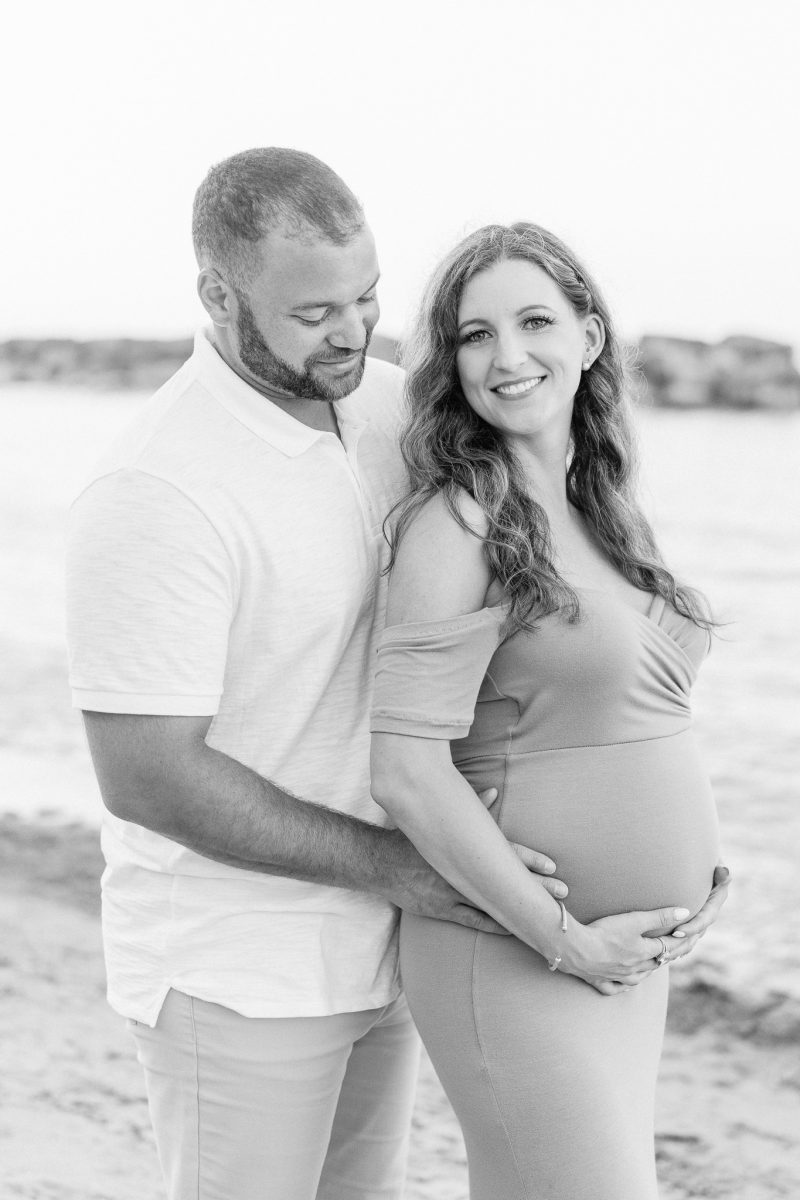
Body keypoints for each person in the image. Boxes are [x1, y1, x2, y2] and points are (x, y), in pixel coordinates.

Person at [65, 150, 728, 1200]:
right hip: (245, 964)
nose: (352, 333)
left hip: (397, 941)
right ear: (217, 296)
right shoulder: (157, 489)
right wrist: (416, 870)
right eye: (314, 312)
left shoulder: (388, 416)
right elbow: (148, 775)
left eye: (368, 298)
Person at [370, 222, 726, 1199]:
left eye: (533, 321)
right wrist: (565, 937)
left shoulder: (604, 510)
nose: (506, 356)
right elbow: (403, 769)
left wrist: (698, 878)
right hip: (520, 954)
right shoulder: (456, 522)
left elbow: (631, 721)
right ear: (448, 361)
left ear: (589, 337)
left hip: (623, 965)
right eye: (474, 334)